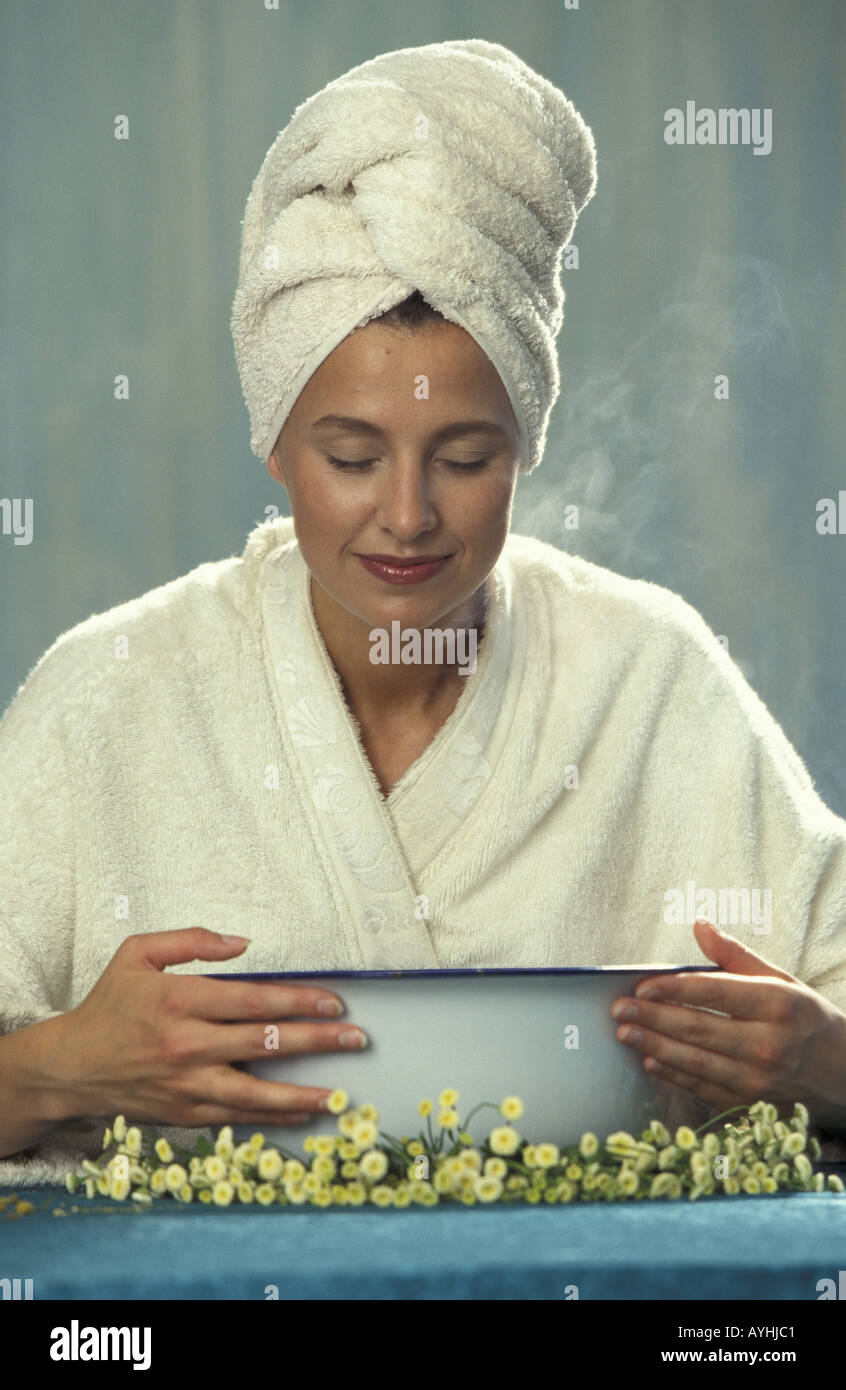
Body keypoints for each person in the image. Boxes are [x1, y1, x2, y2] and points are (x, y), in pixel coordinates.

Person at [1, 40, 845, 1188]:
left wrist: (826, 1061)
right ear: (275, 444)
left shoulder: (652, 680)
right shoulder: (106, 696)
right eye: (351, 454)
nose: (407, 515)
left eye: (465, 455)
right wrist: (54, 1068)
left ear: (524, 448)